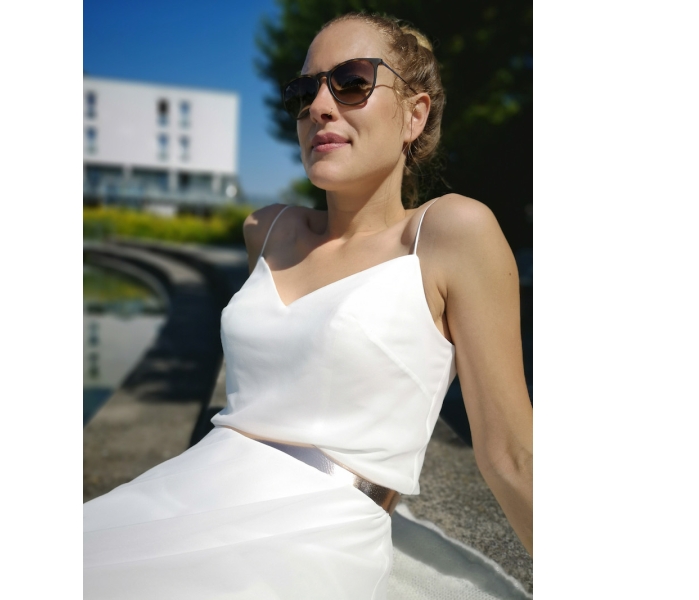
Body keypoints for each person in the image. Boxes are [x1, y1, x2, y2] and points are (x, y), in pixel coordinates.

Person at [84, 12, 532, 599]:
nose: (318, 107)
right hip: (180, 493)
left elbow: (511, 455)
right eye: (303, 91)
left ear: (414, 114)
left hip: (308, 537)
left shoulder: (449, 233)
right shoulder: (266, 230)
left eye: (352, 82)